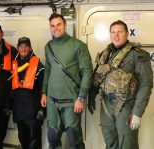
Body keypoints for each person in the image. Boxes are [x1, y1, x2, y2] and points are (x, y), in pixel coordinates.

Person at [88, 20, 153, 149]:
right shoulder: (105, 54)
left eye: (120, 32)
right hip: (106, 106)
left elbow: (146, 84)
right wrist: (91, 95)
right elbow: (98, 76)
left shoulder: (138, 55)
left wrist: (137, 113)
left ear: (127, 33)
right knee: (110, 144)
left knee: (127, 145)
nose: (116, 35)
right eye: (113, 32)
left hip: (126, 107)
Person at [40, 13, 93, 149]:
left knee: (74, 139)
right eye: (52, 25)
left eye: (59, 24)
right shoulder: (49, 46)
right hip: (52, 101)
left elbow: (87, 72)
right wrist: (44, 92)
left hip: (71, 101)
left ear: (65, 25)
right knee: (52, 137)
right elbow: (48, 70)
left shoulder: (78, 45)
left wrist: (81, 98)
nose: (55, 28)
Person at [11, 37, 45, 149]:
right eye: (21, 46)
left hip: (33, 112)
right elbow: (9, 88)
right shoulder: (14, 65)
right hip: (19, 110)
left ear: (30, 48)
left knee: (34, 141)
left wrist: (42, 109)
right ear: (18, 48)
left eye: (26, 46)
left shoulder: (39, 66)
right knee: (23, 139)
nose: (23, 48)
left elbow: (43, 89)